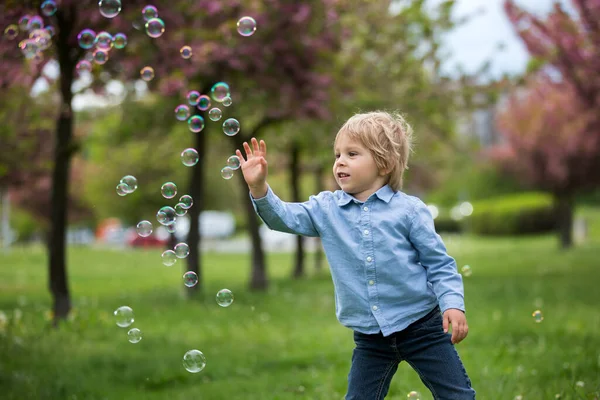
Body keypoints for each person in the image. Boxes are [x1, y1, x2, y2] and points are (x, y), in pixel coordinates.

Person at [235, 111, 476, 400]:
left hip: (422, 325)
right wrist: (259, 188)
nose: (340, 161)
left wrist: (453, 304)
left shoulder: (409, 211)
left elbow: (439, 264)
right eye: (337, 154)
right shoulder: (326, 209)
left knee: (457, 396)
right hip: (370, 337)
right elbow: (283, 218)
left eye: (352, 153)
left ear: (384, 163)